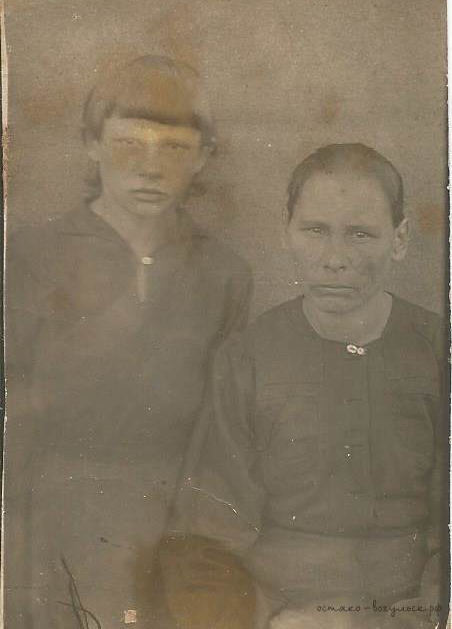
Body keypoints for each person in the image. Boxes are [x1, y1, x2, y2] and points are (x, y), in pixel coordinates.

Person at [4, 54, 252, 628]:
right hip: (52, 523)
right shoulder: (30, 257)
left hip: (172, 527)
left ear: (205, 156)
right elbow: (15, 422)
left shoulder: (224, 274)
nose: (150, 168)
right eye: (129, 143)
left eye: (174, 148)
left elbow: (221, 436)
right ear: (91, 143)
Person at [159, 144, 448, 629]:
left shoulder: (439, 351)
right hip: (281, 614)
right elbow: (206, 541)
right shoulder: (246, 359)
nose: (334, 259)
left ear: (399, 240)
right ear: (285, 231)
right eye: (315, 231)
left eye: (361, 234)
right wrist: (262, 619)